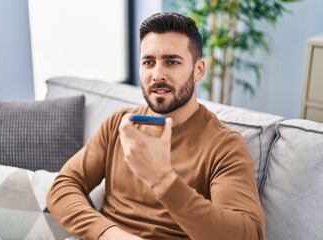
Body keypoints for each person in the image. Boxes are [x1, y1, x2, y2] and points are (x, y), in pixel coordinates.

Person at [47, 12, 265, 240]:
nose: (157, 74)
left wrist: (163, 180)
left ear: (199, 70)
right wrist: (108, 234)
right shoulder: (119, 124)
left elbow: (248, 234)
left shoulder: (224, 146)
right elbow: (63, 187)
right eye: (148, 62)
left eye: (172, 62)